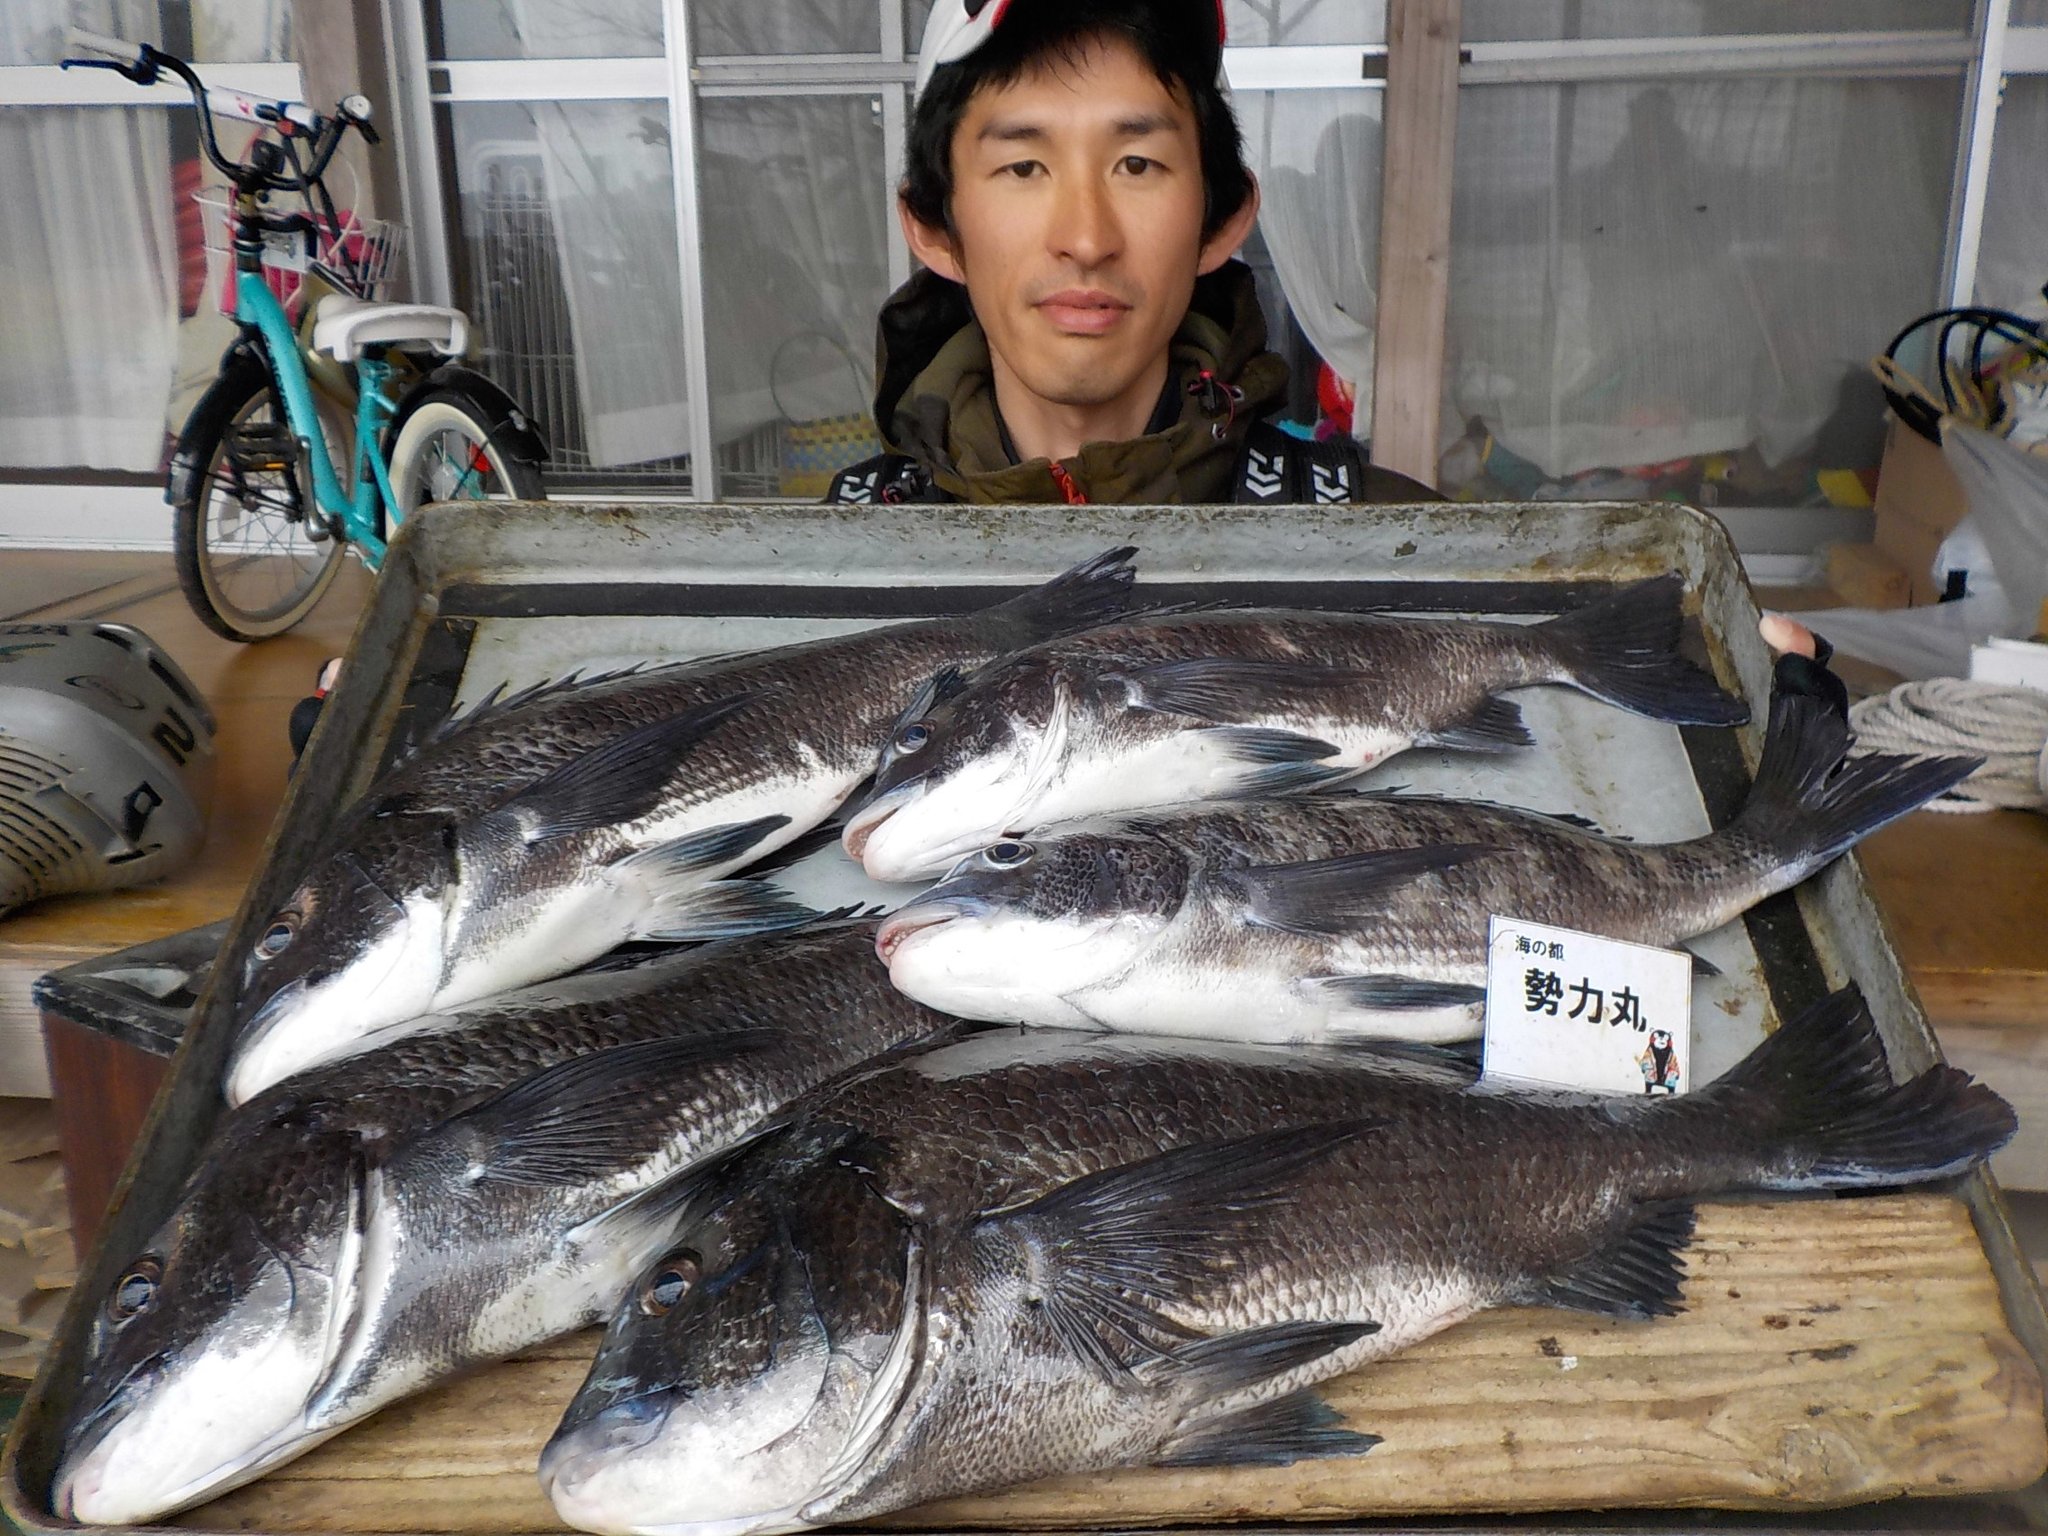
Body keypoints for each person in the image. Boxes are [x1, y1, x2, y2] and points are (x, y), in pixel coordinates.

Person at [826, 0, 1438, 508]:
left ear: (1219, 220)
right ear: (935, 227)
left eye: (1137, 165)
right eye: (1024, 167)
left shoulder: (1400, 551)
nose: (1088, 241)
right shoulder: (824, 571)